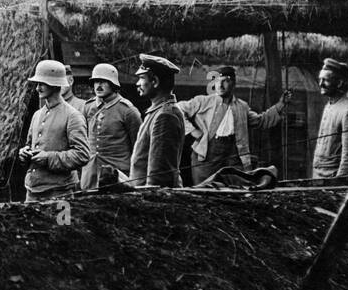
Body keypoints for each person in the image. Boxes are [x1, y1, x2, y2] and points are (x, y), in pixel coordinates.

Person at [178, 65, 292, 183]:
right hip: (206, 157)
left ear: (233, 83)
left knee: (237, 189)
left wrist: (280, 105)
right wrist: (192, 131)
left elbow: (261, 121)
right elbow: (178, 109)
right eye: (217, 81)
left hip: (234, 155)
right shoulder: (203, 101)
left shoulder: (242, 107)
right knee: (204, 190)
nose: (220, 85)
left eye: (225, 81)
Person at [18, 60, 91, 202]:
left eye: (42, 83)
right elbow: (30, 145)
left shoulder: (73, 116)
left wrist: (48, 158)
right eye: (37, 84)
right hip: (32, 192)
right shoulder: (37, 115)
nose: (38, 88)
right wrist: (24, 153)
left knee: (61, 224)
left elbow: (82, 154)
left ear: (55, 84)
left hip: (59, 193)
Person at [79, 62, 141, 190]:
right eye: (96, 82)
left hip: (118, 175)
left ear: (113, 84)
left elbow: (138, 148)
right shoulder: (88, 107)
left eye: (103, 81)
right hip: (90, 175)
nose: (99, 86)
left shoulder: (127, 111)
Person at [129, 54, 186, 187]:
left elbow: (159, 176)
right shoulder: (159, 112)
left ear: (154, 81)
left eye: (142, 78)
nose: (137, 83)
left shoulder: (165, 116)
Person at [313, 58, 348, 179]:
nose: (320, 84)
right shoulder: (331, 103)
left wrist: (338, 184)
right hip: (321, 177)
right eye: (320, 79)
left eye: (326, 80)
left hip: (333, 179)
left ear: (339, 83)